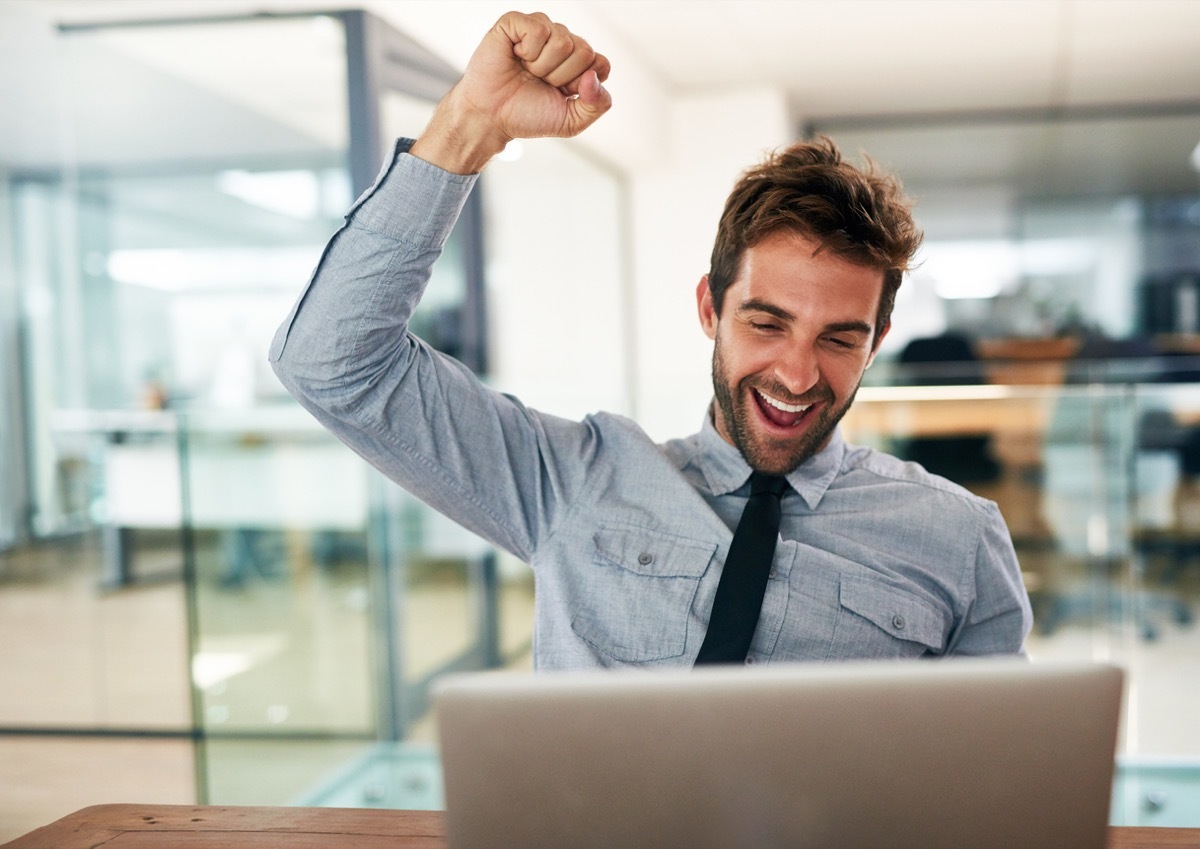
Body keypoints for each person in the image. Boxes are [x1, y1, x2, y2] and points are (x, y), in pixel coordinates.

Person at [270, 11, 1032, 669]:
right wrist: (471, 125)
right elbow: (332, 364)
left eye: (839, 338)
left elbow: (1000, 780)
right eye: (766, 323)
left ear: (878, 340)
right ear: (710, 307)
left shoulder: (958, 537)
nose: (798, 374)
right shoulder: (570, 481)